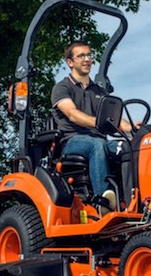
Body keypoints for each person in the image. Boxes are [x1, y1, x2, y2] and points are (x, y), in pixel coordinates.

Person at [51, 41, 132, 215]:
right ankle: (102, 201)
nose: (87, 59)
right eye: (81, 56)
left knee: (126, 147)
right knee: (96, 144)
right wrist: (98, 122)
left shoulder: (100, 92)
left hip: (100, 141)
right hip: (72, 141)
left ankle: (132, 200)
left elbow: (115, 121)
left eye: (89, 55)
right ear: (70, 62)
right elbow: (72, 113)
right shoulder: (62, 87)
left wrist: (133, 128)